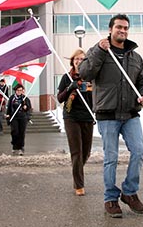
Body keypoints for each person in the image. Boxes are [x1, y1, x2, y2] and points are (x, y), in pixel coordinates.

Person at [79, 14, 143, 218]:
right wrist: (99, 51)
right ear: (110, 29)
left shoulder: (135, 57)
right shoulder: (100, 51)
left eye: (126, 28)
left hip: (130, 114)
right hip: (107, 114)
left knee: (138, 151)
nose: (123, 30)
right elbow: (84, 73)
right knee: (111, 158)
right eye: (119, 27)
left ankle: (129, 192)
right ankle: (110, 198)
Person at [57, 48, 95, 197]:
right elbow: (60, 98)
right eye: (76, 59)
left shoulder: (90, 77)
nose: (79, 61)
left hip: (87, 117)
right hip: (71, 117)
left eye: (82, 59)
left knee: (86, 153)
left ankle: (76, 169)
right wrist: (69, 88)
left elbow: (96, 97)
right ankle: (79, 185)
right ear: (72, 61)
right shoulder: (67, 77)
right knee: (77, 152)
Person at [5, 83, 31, 156]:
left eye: (21, 90)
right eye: (18, 90)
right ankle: (14, 145)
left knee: (21, 133)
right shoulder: (12, 98)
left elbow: (29, 108)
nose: (19, 92)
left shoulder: (25, 98)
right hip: (14, 117)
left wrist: (26, 107)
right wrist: (8, 115)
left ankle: (21, 147)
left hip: (22, 117)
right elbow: (9, 107)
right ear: (15, 91)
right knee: (15, 131)